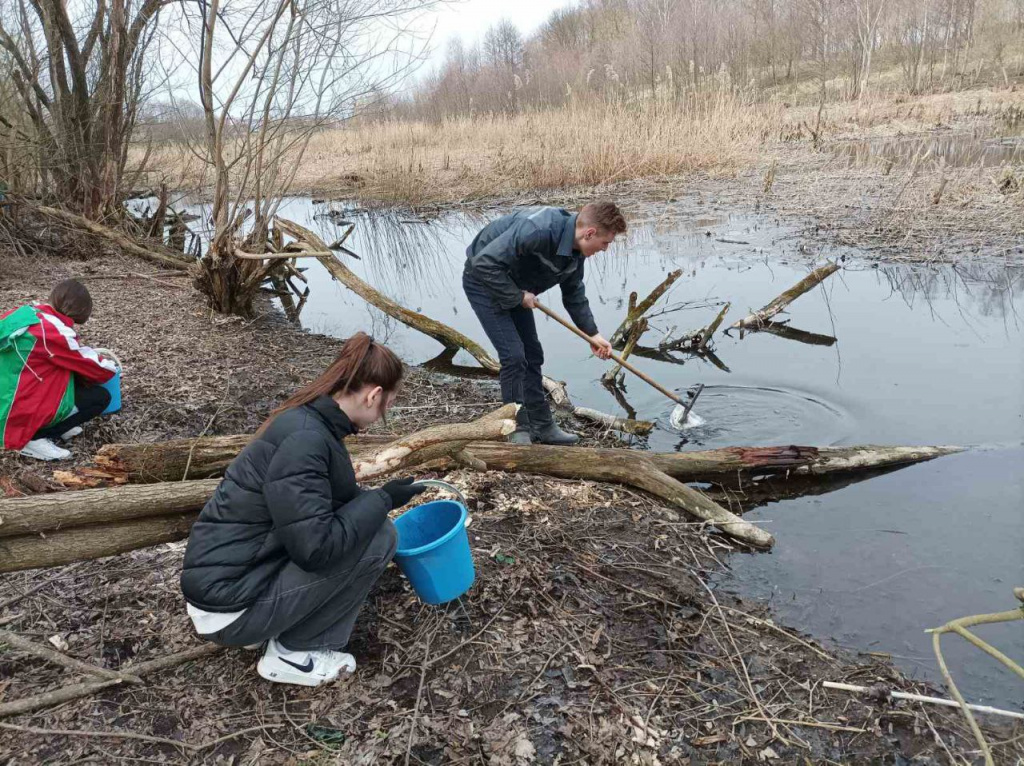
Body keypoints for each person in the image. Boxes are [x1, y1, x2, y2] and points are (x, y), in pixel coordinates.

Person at [180, 333, 427, 687]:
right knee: (380, 536)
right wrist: (382, 500)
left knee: (370, 523)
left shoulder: (308, 420)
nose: (382, 414)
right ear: (373, 395)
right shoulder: (306, 440)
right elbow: (315, 549)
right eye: (386, 404)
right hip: (228, 608)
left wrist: (375, 497)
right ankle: (296, 653)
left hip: (230, 585)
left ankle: (272, 628)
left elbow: (314, 511)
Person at [463, 201, 627, 446]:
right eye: (605, 243)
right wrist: (518, 297)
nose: (605, 249)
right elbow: (484, 264)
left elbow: (574, 294)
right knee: (514, 356)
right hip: (484, 280)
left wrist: (593, 334)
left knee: (532, 355)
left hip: (516, 285)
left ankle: (542, 425)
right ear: (589, 233)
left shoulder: (575, 251)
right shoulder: (537, 230)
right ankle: (515, 426)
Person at [0, 279, 117, 461]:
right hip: (18, 412)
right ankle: (34, 438)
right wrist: (113, 366)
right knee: (100, 397)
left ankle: (60, 423)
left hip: (7, 394)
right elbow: (99, 369)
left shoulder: (22, 314)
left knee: (66, 371)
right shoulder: (53, 331)